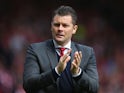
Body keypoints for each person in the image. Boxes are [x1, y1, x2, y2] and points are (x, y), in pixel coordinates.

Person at [23, 5, 99, 93]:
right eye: (56, 25)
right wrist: (56, 72)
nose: (60, 29)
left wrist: (77, 73)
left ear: (74, 29)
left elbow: (94, 87)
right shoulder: (35, 50)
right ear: (51, 27)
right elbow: (28, 85)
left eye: (65, 25)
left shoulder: (87, 53)